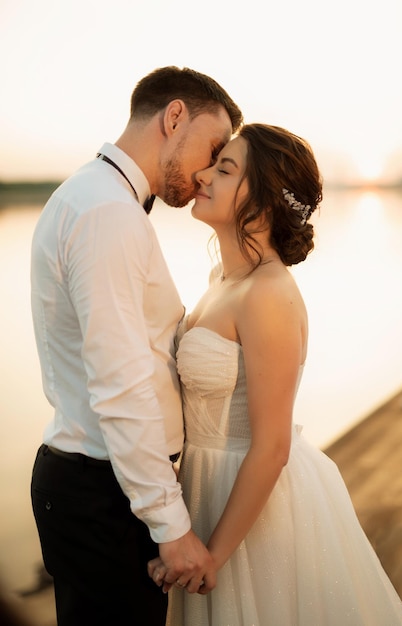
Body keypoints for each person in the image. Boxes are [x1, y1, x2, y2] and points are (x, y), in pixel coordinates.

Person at [148, 123, 402, 625]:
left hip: (249, 509)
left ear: (266, 201)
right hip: (202, 488)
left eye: (224, 169)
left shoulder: (268, 294)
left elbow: (272, 446)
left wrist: (215, 555)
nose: (203, 175)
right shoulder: (220, 281)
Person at [30, 66, 243, 626]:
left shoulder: (102, 200)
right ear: (174, 117)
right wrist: (170, 527)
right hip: (107, 496)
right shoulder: (107, 214)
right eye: (212, 147)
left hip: (103, 487)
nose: (206, 173)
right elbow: (120, 384)